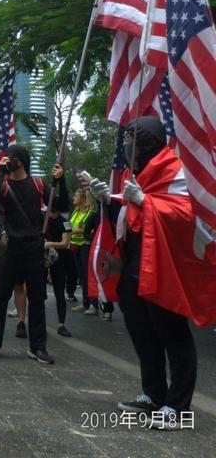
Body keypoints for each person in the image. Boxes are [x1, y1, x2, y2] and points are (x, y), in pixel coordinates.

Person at [89, 117, 198, 429]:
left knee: (174, 336)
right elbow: (128, 216)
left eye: (132, 140)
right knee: (143, 334)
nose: (126, 146)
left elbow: (185, 215)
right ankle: (153, 393)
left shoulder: (174, 170)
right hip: (134, 268)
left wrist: (145, 200)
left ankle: (178, 407)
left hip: (163, 269)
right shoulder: (133, 174)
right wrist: (108, 200)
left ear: (148, 143)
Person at [0, 145, 67, 365]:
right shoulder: (4, 185)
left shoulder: (39, 185)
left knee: (37, 299)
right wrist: (1, 173)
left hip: (33, 250)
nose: (6, 160)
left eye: (10, 157)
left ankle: (38, 346)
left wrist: (62, 181)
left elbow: (61, 205)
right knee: (0, 297)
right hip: (9, 249)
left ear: (20, 161)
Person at [44, 199, 72, 337]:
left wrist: (48, 244)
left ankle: (62, 323)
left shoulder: (64, 222)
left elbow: (65, 243)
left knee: (60, 292)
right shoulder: (43, 220)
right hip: (43, 260)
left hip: (59, 261)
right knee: (39, 293)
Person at [69, 189, 95, 313]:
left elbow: (90, 230)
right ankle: (85, 303)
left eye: (76, 196)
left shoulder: (90, 213)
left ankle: (93, 305)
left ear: (83, 199)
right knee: (82, 276)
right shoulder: (75, 212)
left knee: (88, 275)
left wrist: (75, 230)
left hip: (85, 246)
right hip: (75, 246)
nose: (74, 198)